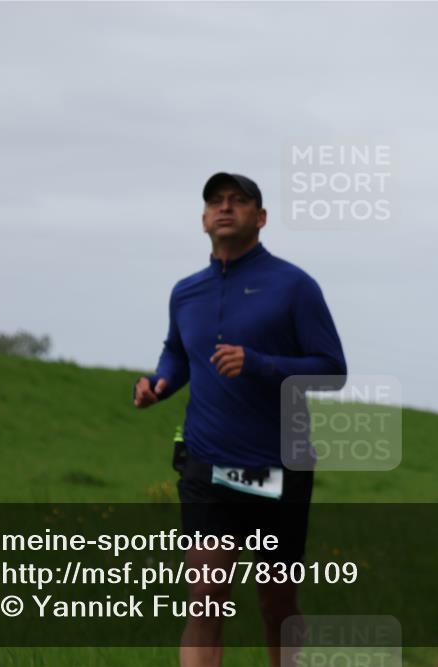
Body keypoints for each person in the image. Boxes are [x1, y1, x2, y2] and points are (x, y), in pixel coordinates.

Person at [133, 172, 347, 667]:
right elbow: (177, 353)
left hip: (279, 467)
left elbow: (332, 370)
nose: (224, 208)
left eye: (238, 201)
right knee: (206, 599)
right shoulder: (185, 292)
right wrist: (159, 383)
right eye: (215, 202)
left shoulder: (294, 286)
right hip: (207, 464)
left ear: (261, 217)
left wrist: (260, 363)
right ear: (204, 219)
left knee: (277, 605)